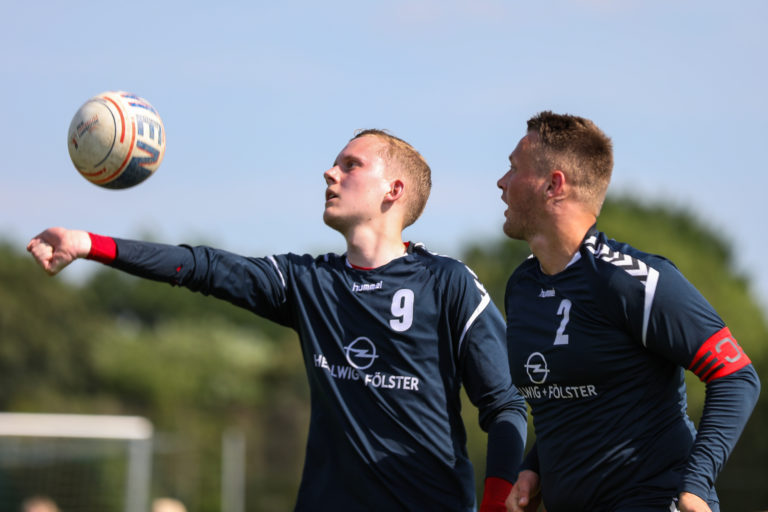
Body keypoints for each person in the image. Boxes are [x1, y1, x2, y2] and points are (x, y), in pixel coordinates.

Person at [28, 129, 528, 511]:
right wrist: (88, 243)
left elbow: (505, 405)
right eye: (333, 165)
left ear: (393, 189)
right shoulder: (307, 282)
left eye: (350, 165)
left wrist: (494, 504)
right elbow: (203, 267)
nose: (330, 174)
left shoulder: (448, 283)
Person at [496, 111, 760, 512]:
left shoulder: (630, 279)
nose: (501, 182)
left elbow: (736, 374)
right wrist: (534, 468)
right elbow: (565, 401)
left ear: (554, 184)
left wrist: (696, 486)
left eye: (514, 169)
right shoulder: (521, 288)